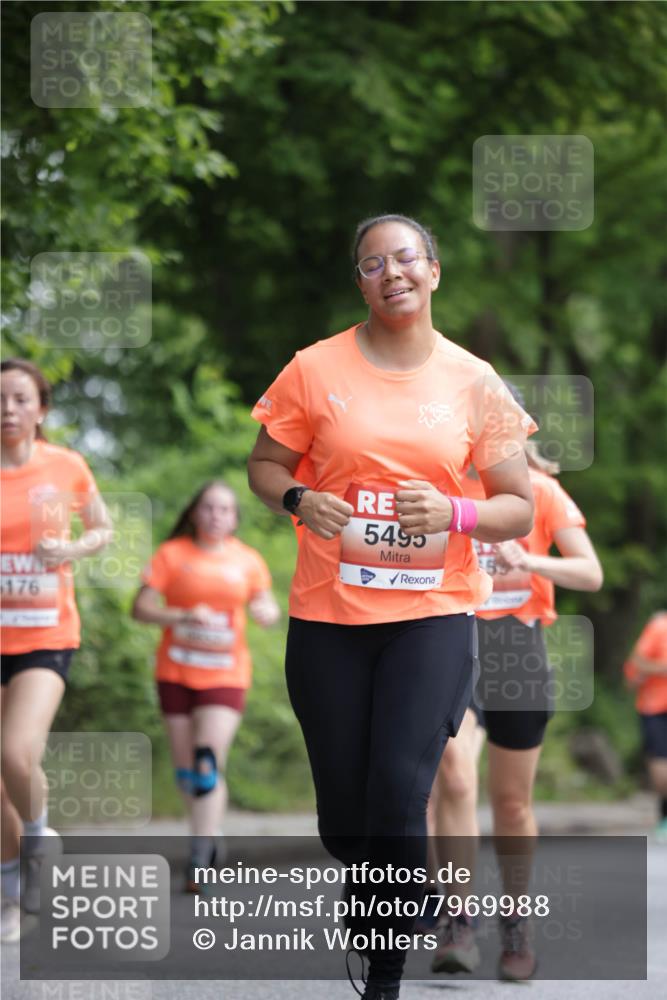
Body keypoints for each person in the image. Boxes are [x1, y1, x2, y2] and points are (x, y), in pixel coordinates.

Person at [247, 213, 538, 1000]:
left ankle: (383, 975)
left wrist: (456, 513)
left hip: (432, 615)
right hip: (327, 619)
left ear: (433, 271)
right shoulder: (314, 368)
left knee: (400, 793)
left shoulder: (476, 381)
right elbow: (264, 464)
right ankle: (371, 877)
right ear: (360, 283)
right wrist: (300, 499)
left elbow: (518, 505)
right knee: (346, 820)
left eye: (404, 258)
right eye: (372, 264)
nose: (391, 273)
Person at [429, 432, 603, 981]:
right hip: (454, 640)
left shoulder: (541, 492)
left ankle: (515, 919)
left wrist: (528, 559)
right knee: (454, 777)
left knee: (511, 804)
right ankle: (457, 920)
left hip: (517, 650)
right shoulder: (442, 485)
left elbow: (590, 572)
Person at [1, 358, 112, 942]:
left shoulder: (65, 465)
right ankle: (11, 891)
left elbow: (102, 529)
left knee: (15, 752)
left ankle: (39, 834)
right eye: (0, 399)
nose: (8, 409)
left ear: (41, 409)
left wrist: (70, 549)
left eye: (20, 398)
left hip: (45, 633)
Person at [132, 481, 279, 889]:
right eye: (209, 508)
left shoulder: (247, 560)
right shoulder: (172, 555)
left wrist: (267, 611)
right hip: (176, 672)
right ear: (196, 513)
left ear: (235, 518)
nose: (216, 515)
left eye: (225, 509)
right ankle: (208, 831)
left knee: (207, 759)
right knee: (186, 773)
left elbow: (265, 602)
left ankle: (199, 857)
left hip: (226, 673)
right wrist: (181, 616)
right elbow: (141, 608)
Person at [624, 611, 667, 842]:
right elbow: (637, 664)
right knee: (660, 770)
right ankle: (664, 814)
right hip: (656, 708)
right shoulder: (660, 626)